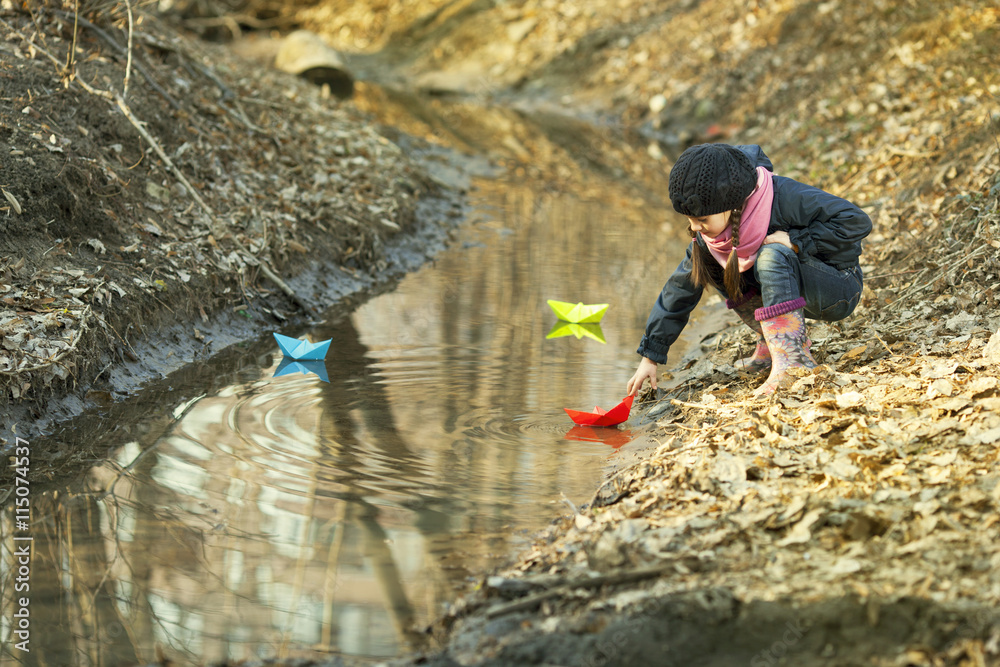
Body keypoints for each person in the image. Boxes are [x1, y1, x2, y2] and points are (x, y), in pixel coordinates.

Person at [626, 143, 871, 396]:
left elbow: (855, 221)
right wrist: (650, 357)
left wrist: (797, 241)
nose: (695, 227)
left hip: (837, 287)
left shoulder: (783, 196)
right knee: (714, 263)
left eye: (701, 220)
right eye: (689, 220)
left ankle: (793, 361)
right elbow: (679, 290)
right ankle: (772, 344)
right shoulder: (710, 238)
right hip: (793, 289)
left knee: (771, 255)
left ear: (731, 205)